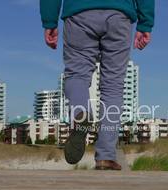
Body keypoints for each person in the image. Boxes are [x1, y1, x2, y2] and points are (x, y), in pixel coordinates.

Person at [40, 0, 155, 170]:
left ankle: (80, 112)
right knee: (113, 85)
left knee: (76, 74)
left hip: (79, 13)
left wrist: (50, 20)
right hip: (119, 14)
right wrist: (145, 23)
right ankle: (106, 156)